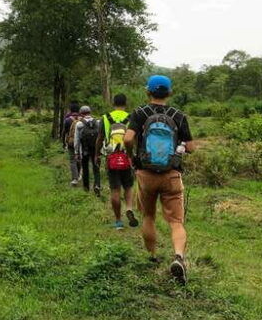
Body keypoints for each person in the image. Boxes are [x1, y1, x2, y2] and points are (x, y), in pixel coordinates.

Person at [124, 75, 195, 285]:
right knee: (176, 222)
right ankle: (179, 257)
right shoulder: (178, 115)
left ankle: (152, 257)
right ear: (169, 93)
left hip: (145, 174)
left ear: (148, 92)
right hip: (171, 174)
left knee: (148, 216)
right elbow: (191, 148)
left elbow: (128, 138)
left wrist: (132, 157)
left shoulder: (139, 113)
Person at [96, 93, 138, 230]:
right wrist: (133, 156)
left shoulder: (105, 118)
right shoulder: (131, 117)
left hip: (111, 158)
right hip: (127, 157)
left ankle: (119, 221)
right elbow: (135, 138)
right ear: (126, 103)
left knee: (115, 190)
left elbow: (100, 137)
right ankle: (129, 207)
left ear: (113, 103)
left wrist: (97, 154)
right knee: (129, 186)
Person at [74, 106, 102, 196]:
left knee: (85, 168)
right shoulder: (97, 122)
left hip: (84, 149)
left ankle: (86, 188)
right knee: (96, 167)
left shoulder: (79, 124)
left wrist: (76, 152)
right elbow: (101, 137)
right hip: (96, 149)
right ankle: (97, 185)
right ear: (90, 112)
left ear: (81, 113)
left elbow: (76, 140)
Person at [61, 102, 82, 186]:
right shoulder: (82, 119)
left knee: (72, 160)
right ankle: (79, 174)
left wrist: (63, 142)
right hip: (81, 143)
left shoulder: (67, 119)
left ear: (70, 109)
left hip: (71, 142)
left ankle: (75, 178)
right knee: (79, 158)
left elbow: (64, 132)